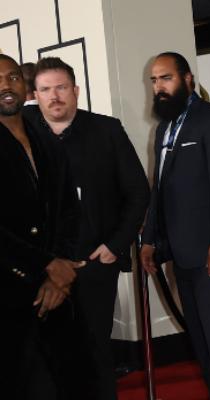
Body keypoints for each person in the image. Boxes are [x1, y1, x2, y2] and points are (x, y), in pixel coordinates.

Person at [26, 56, 150, 399]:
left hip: (95, 266)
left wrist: (115, 245)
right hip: (44, 269)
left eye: (61, 88)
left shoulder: (106, 130)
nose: (54, 96)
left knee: (96, 352)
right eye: (46, 89)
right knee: (44, 357)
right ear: (34, 95)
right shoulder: (21, 133)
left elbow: (138, 192)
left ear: (76, 90)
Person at [139, 52, 210, 400]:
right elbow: (159, 188)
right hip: (181, 253)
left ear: (188, 79)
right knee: (202, 342)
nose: (159, 87)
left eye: (166, 78)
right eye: (154, 80)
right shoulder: (164, 128)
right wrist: (149, 239)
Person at [0, 53, 84, 399]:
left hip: (56, 292)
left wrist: (59, 272)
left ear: (26, 86)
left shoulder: (46, 139)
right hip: (6, 294)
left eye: (13, 77)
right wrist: (45, 265)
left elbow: (69, 210)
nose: (6, 85)